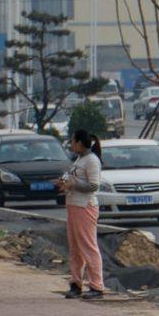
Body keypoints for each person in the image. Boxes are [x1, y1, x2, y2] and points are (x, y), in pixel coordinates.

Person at [60, 128, 106, 300]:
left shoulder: (92, 160)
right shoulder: (79, 159)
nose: (71, 145)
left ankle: (96, 285)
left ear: (79, 142)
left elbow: (94, 186)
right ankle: (76, 283)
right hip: (73, 205)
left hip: (85, 207)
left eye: (72, 141)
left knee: (88, 246)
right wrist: (64, 182)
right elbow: (71, 178)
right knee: (75, 248)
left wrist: (74, 185)